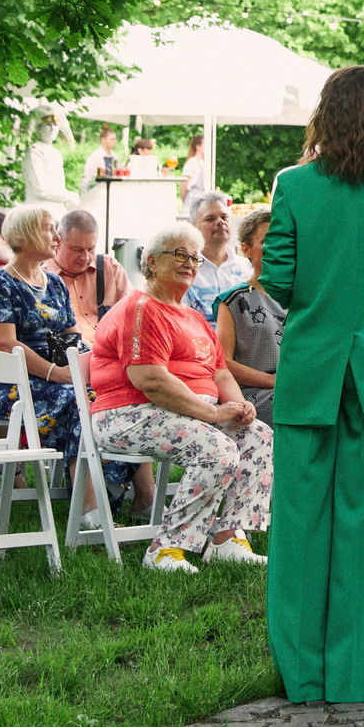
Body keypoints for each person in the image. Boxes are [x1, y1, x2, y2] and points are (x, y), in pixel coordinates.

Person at [258, 64, 364, 704]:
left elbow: (277, 278)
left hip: (313, 367)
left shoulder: (295, 185)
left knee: (301, 527)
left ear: (325, 114)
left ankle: (306, 677)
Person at [86, 220, 271, 572]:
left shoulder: (194, 317)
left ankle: (228, 539)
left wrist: (239, 406)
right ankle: (166, 549)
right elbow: (149, 380)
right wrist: (214, 414)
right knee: (216, 448)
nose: (190, 263)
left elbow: (219, 371)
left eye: (196, 258)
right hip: (127, 413)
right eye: (180, 254)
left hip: (183, 413)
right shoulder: (141, 309)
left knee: (257, 436)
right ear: (152, 262)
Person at [0, 203, 125, 527]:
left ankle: (124, 492)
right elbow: (5, 343)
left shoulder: (54, 284)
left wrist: (95, 367)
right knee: (80, 402)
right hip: (15, 383)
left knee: (114, 394)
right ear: (25, 233)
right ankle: (89, 506)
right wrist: (56, 373)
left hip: (59, 377)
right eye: (48, 228)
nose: (55, 235)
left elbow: (73, 337)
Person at [215, 208, 282, 421]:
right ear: (246, 249)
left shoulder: (304, 298)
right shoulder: (233, 300)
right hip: (257, 395)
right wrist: (274, 381)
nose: (276, 247)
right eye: (266, 241)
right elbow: (223, 363)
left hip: (300, 389)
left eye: (281, 240)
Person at [47, 207, 134, 337]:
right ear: (58, 243)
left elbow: (134, 313)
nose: (85, 257)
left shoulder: (110, 268)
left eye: (91, 249)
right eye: (77, 249)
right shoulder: (42, 278)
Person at [184, 191, 251, 320]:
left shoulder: (246, 267)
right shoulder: (186, 269)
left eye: (224, 217)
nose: (220, 222)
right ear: (194, 227)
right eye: (210, 218)